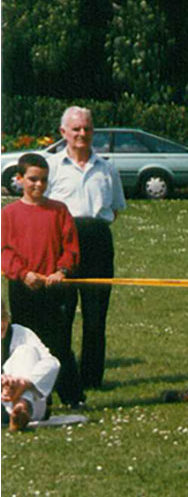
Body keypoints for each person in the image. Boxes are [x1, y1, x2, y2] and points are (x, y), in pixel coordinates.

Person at [44, 105, 125, 390]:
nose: (82, 134)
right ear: (63, 132)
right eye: (76, 129)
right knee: (61, 316)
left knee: (95, 318)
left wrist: (92, 233)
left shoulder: (107, 168)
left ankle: (91, 378)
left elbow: (115, 210)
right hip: (61, 246)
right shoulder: (51, 167)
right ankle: (61, 377)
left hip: (98, 245)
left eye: (87, 129)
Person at [2, 152, 82, 407]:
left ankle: (72, 397)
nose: (38, 185)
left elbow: (71, 247)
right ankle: (24, 397)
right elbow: (4, 252)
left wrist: (62, 271)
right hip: (23, 290)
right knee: (25, 347)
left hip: (53, 289)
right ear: (20, 179)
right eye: (33, 179)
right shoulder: (9, 214)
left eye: (44, 180)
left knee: (59, 345)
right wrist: (23, 274)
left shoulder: (58, 211)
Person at [2, 302, 60, 432]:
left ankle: (21, 408)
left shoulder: (21, 332)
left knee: (26, 351)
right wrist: (4, 382)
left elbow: (52, 363)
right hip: (2, 400)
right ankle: (19, 410)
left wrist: (26, 382)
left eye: (2, 319)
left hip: (32, 401)